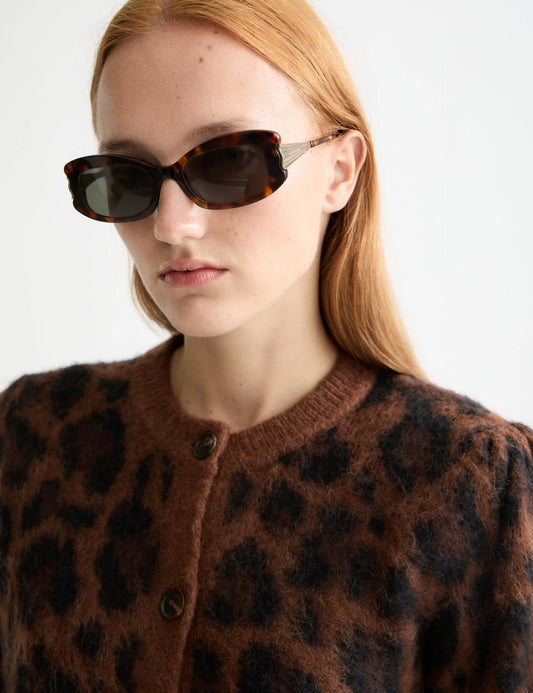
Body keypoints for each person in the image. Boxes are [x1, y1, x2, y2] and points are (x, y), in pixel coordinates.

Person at [0, 0, 531, 690]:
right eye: (126, 176)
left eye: (229, 162)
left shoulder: (469, 482)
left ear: (339, 171)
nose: (171, 224)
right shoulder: (35, 436)